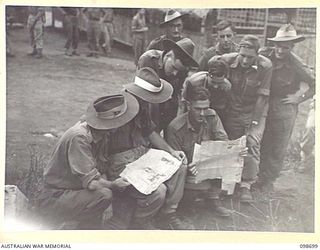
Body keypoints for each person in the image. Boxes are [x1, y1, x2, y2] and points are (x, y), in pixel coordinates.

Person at [37, 93, 140, 229]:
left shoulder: (101, 134)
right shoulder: (80, 138)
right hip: (56, 196)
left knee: (105, 194)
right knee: (104, 195)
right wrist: (114, 184)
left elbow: (99, 170)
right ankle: (65, 224)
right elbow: (92, 184)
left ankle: (83, 225)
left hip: (75, 192)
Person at [117, 67, 192, 230]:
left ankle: (167, 213)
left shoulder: (142, 105)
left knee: (179, 164)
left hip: (141, 155)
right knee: (159, 190)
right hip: (121, 161)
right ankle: (140, 220)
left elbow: (150, 132)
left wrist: (171, 151)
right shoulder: (119, 105)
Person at [257, 24, 315, 189]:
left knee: (278, 144)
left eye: (285, 47)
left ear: (292, 47)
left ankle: (268, 180)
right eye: (278, 46)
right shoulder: (264, 54)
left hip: (283, 105)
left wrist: (299, 98)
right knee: (260, 140)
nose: (280, 50)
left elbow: (314, 83)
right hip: (263, 102)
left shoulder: (296, 63)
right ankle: (256, 175)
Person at [166, 86, 233, 217]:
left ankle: (213, 198)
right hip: (188, 172)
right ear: (189, 106)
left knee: (229, 155)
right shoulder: (175, 127)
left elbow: (224, 142)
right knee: (189, 206)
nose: (202, 113)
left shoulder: (212, 116)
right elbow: (175, 163)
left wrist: (208, 158)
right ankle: (184, 204)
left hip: (207, 164)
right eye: (198, 109)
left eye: (205, 108)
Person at [221, 35, 273, 202]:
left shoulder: (266, 66)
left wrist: (255, 121)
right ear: (238, 51)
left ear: (257, 55)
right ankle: (228, 182)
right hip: (233, 109)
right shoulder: (225, 61)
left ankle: (246, 185)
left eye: (250, 57)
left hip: (255, 110)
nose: (244, 60)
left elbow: (262, 96)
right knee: (231, 143)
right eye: (242, 55)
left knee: (251, 141)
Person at [138, 38, 199, 134]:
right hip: (147, 96)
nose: (175, 73)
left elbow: (175, 95)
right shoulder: (148, 59)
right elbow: (144, 92)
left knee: (172, 109)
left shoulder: (181, 70)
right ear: (167, 55)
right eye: (173, 68)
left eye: (178, 71)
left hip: (167, 99)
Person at [179, 55, 231, 125]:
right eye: (213, 82)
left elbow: (222, 110)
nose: (216, 86)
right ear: (208, 75)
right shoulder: (194, 82)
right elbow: (184, 104)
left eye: (219, 83)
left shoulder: (226, 86)